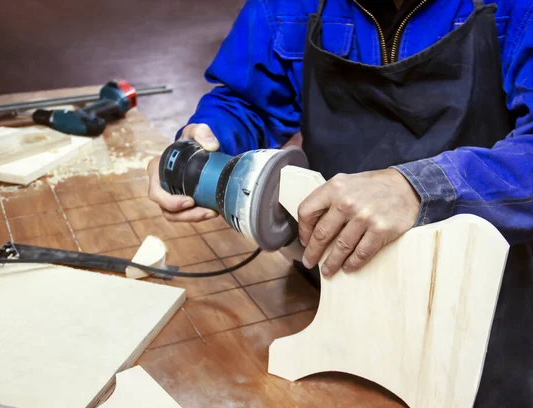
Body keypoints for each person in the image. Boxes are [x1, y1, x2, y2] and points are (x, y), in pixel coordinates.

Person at [146, 0, 533, 405]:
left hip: (478, 308)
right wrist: (208, 144)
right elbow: (249, 100)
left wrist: (421, 187)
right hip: (329, 280)